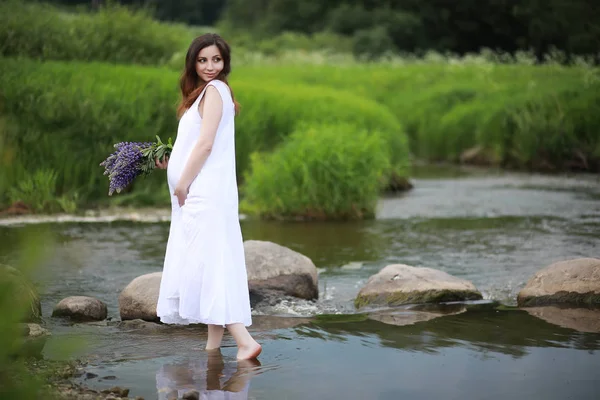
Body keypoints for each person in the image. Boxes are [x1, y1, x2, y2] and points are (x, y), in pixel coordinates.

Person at [154, 33, 261, 360]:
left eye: (216, 60)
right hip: (203, 191)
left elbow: (206, 145)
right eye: (203, 60)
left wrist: (183, 183)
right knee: (211, 261)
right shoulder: (202, 94)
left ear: (225, 62)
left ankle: (244, 341)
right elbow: (194, 146)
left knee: (206, 265)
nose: (210, 66)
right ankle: (213, 348)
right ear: (193, 62)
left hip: (204, 194)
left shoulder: (215, 91)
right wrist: (172, 164)